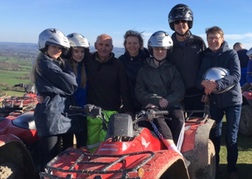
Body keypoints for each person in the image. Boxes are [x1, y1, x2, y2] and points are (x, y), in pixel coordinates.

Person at [196, 26, 242, 179]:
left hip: (233, 101)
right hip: (215, 102)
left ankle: (232, 169)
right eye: (210, 38)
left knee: (231, 137)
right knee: (215, 135)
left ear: (222, 39)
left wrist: (216, 84)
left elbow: (235, 76)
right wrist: (205, 84)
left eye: (216, 37)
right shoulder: (206, 56)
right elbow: (199, 78)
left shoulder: (231, 54)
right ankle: (215, 167)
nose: (213, 41)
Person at [31, 28, 78, 171]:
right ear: (45, 46)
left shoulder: (57, 63)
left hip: (60, 114)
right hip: (51, 116)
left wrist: (55, 90)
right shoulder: (47, 64)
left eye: (59, 47)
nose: (57, 50)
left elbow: (67, 86)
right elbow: (71, 85)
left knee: (64, 158)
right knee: (51, 160)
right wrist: (64, 84)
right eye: (54, 46)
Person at [135, 30, 185, 153]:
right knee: (155, 116)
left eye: (163, 48)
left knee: (179, 118)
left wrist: (167, 100)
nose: (160, 51)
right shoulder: (144, 70)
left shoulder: (172, 69)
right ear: (151, 50)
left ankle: (177, 150)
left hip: (171, 105)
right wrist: (156, 100)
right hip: (152, 106)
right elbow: (139, 91)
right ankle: (173, 150)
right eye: (156, 48)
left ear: (168, 50)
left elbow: (179, 91)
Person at [85, 33, 132, 151]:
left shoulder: (118, 64)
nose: (103, 48)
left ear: (112, 48)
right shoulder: (88, 60)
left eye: (107, 45)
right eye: (101, 44)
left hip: (111, 112)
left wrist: (128, 110)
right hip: (91, 112)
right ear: (95, 45)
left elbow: (124, 88)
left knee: (107, 146)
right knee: (90, 143)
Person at [168, 4, 206, 115]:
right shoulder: (168, 44)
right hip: (175, 93)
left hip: (196, 92)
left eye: (184, 21)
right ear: (172, 24)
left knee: (196, 128)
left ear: (189, 23)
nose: (180, 24)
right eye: (177, 22)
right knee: (176, 128)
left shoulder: (198, 42)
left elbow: (205, 65)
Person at [60, 33, 90, 150]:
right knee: (67, 147)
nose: (79, 55)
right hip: (67, 114)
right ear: (69, 51)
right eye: (76, 51)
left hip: (82, 113)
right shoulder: (63, 67)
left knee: (83, 146)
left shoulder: (85, 67)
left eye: (82, 51)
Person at [118, 30, 149, 114]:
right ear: (125, 45)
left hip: (147, 102)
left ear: (140, 45)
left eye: (135, 43)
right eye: (129, 43)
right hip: (129, 101)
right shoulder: (121, 61)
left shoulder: (148, 59)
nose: (132, 46)